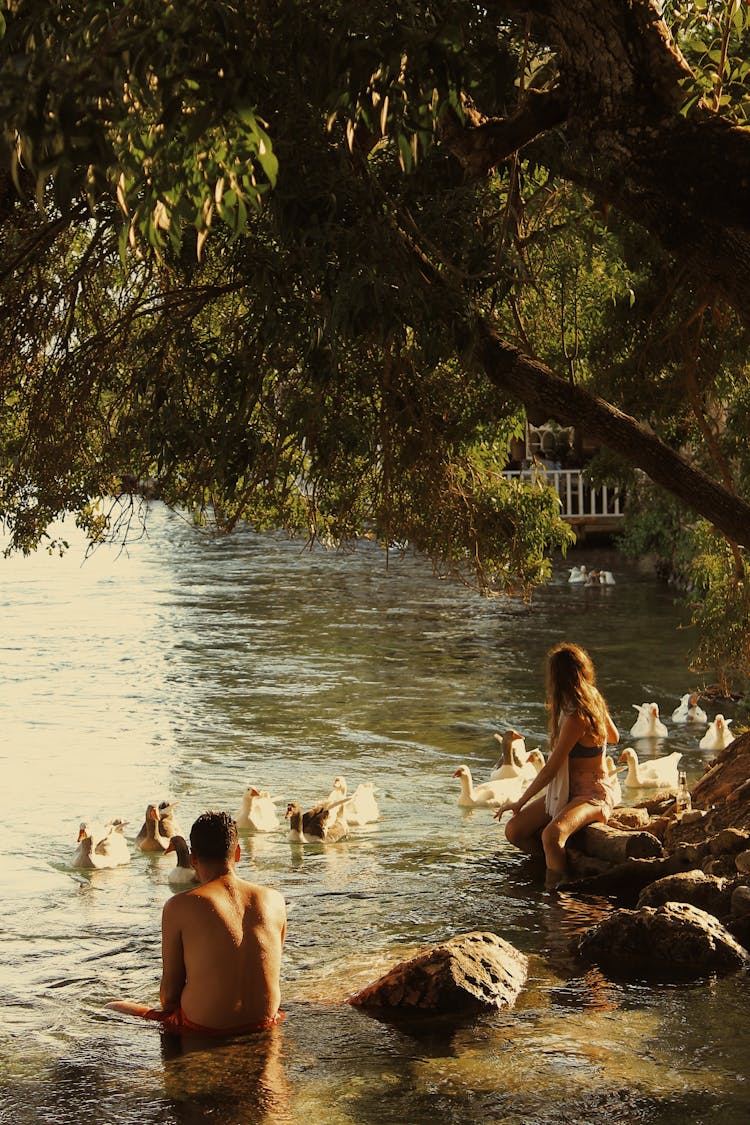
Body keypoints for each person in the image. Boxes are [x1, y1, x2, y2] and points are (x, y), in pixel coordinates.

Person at [108, 810, 287, 1036]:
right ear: (238, 853)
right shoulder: (275, 900)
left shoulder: (179, 906)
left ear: (193, 859)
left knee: (113, 1007)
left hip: (205, 1028)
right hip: (266, 1020)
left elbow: (170, 997)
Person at [498, 643, 619, 885]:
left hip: (591, 794)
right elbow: (614, 736)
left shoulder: (577, 716)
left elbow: (551, 769)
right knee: (514, 830)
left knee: (551, 836)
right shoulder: (588, 699)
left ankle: (557, 895)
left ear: (558, 678)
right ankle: (560, 865)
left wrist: (520, 801)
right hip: (564, 792)